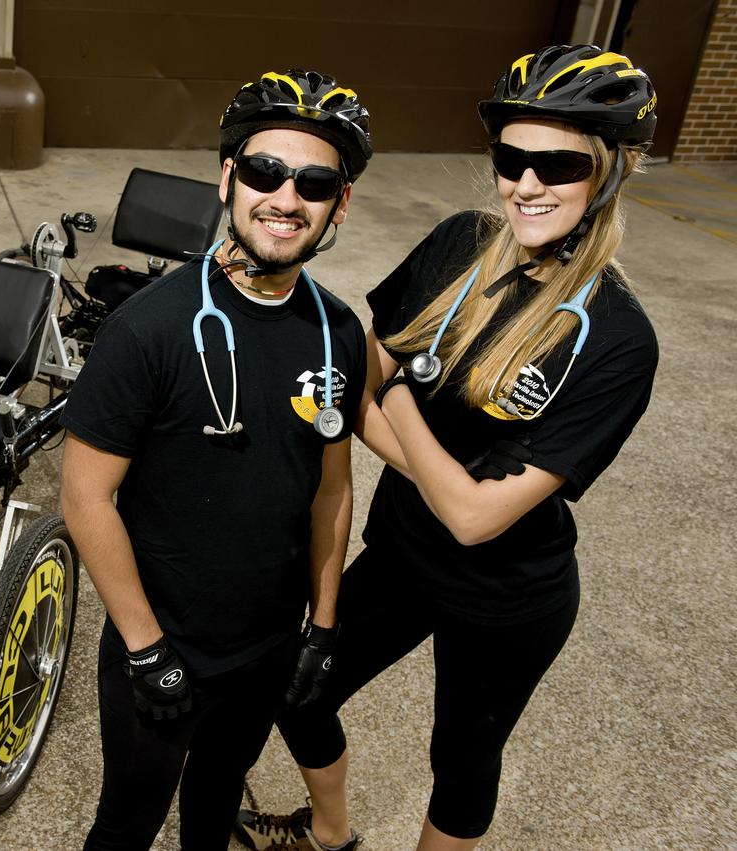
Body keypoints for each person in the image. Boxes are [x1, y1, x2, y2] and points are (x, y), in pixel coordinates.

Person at [233, 45, 660, 851]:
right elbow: (358, 383)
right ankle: (329, 833)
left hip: (508, 596)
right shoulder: (463, 242)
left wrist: (394, 396)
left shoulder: (619, 338)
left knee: (460, 761)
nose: (526, 184)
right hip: (402, 550)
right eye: (512, 158)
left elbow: (474, 516)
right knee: (298, 688)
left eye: (558, 163)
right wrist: (427, 456)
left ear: (611, 169)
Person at [59, 69, 372, 850]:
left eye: (315, 182)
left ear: (339, 202)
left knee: (213, 809)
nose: (286, 198)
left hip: (266, 645)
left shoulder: (337, 330)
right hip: (162, 640)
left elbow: (332, 487)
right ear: (229, 176)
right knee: (126, 824)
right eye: (265, 172)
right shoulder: (148, 329)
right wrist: (144, 646)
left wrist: (322, 626)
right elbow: (85, 497)